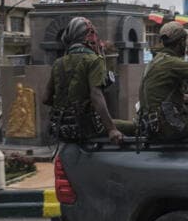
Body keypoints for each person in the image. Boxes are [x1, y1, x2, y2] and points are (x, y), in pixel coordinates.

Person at [43, 16, 130, 144]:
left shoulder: (58, 63)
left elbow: (45, 98)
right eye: (93, 33)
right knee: (134, 126)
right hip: (87, 128)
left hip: (60, 128)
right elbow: (96, 96)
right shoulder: (94, 60)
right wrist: (111, 129)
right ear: (88, 36)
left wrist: (66, 109)